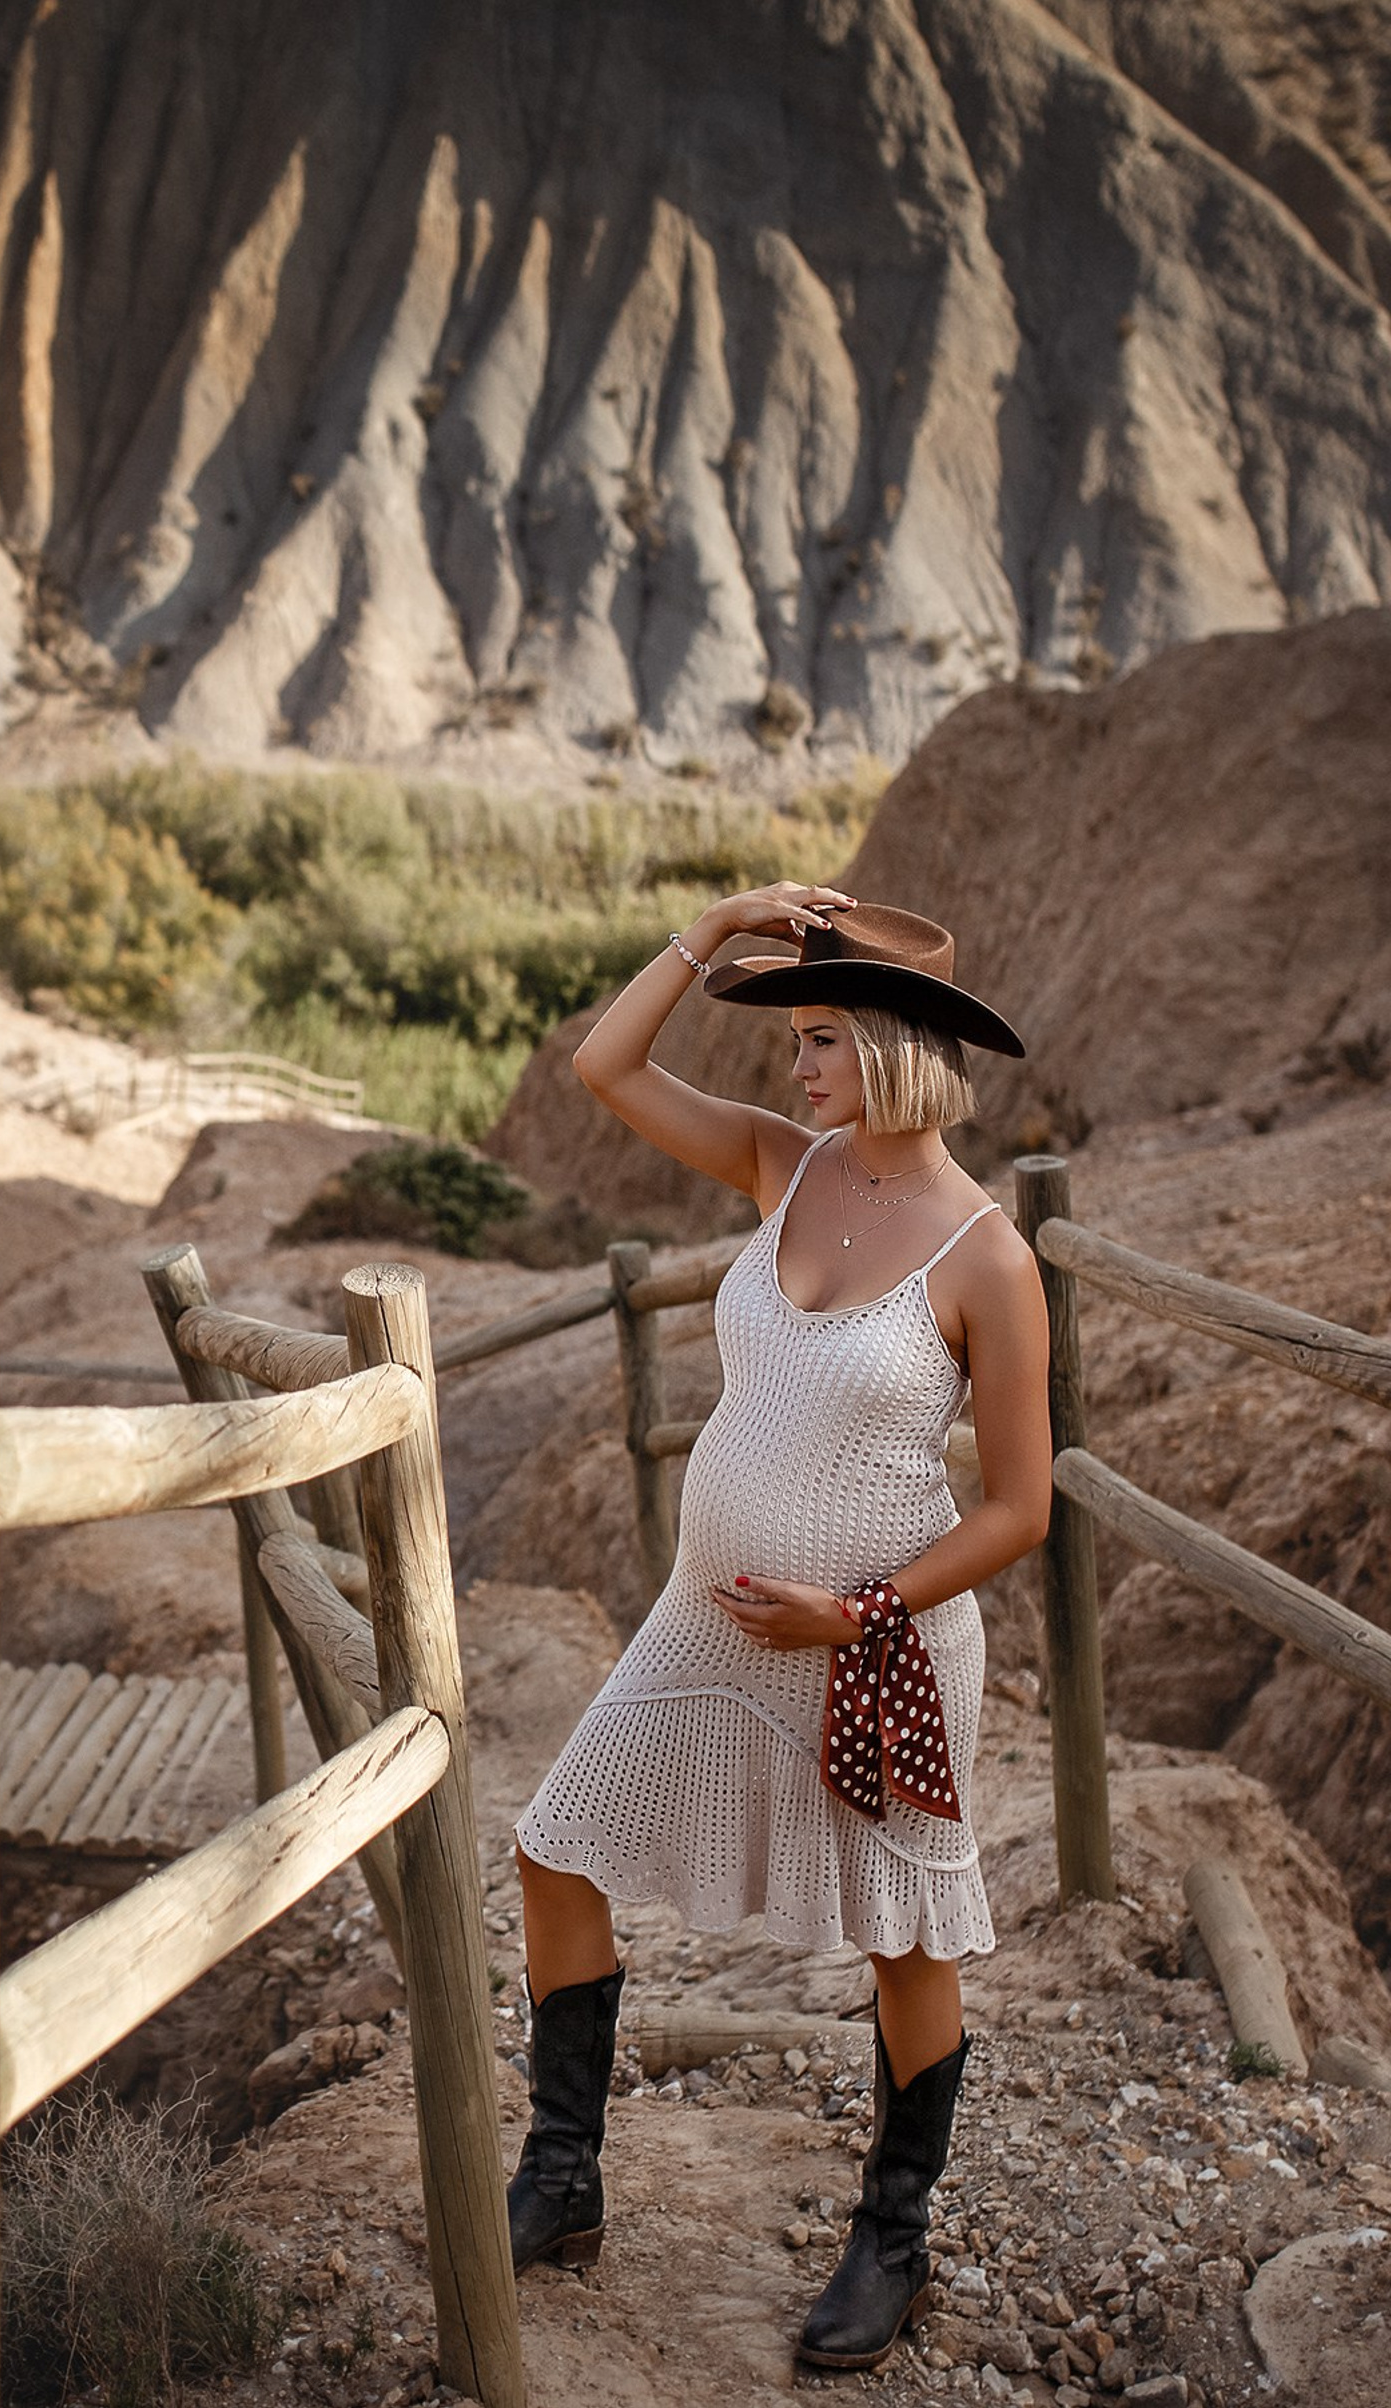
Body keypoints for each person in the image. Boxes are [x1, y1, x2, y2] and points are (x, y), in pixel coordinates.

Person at [506, 886, 1052, 2372]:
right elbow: (605, 1067)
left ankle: (894, 2243)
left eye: (819, 1038)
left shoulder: (988, 1260)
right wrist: (711, 928)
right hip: (710, 1623)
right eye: (793, 1037)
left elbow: (1019, 1510)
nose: (794, 1066)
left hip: (879, 1646)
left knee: (904, 1941)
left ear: (892, 1044)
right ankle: (562, 2179)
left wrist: (853, 1610)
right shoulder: (781, 1165)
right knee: (555, 1848)